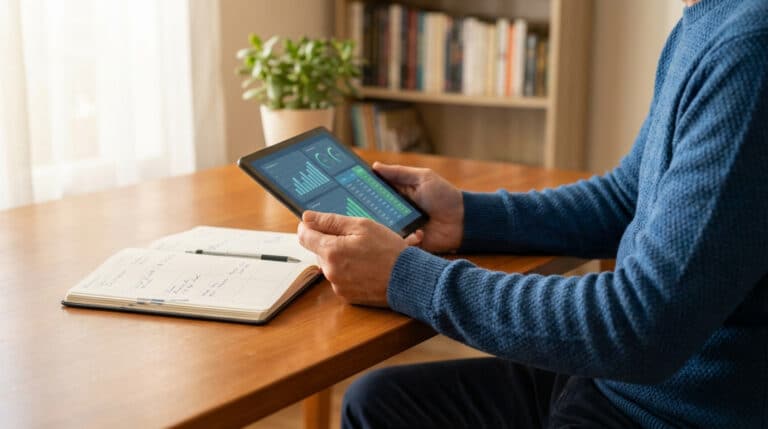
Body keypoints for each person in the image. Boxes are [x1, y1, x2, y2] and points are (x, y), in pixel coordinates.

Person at [298, 0, 768, 427]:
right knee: (377, 401)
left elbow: (640, 326)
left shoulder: (750, 50)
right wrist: (467, 216)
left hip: (675, 409)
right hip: (622, 384)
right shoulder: (707, 21)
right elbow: (629, 196)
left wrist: (410, 278)